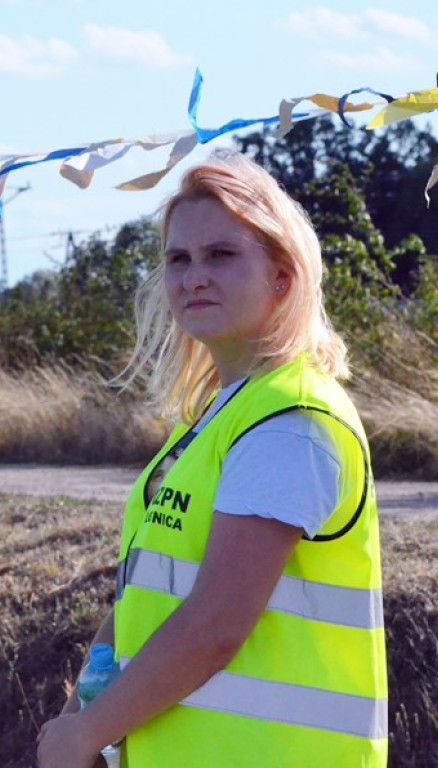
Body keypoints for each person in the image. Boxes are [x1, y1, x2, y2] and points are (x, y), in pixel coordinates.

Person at [36, 151, 387, 767]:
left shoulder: (291, 423)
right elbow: (141, 601)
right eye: (179, 259)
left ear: (283, 276)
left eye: (221, 255)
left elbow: (216, 623)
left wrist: (88, 734)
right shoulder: (220, 416)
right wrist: (80, 719)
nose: (194, 276)